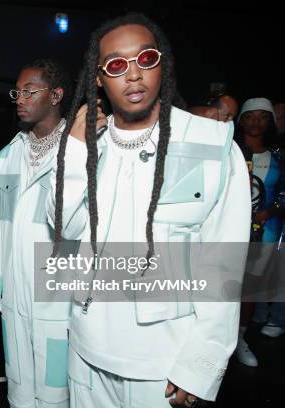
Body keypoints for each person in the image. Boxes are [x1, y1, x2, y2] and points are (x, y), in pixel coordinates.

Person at [48, 13, 250, 407]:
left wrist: (201, 362)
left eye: (146, 59)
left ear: (163, 65)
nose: (134, 75)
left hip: (164, 363)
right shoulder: (91, 147)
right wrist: (74, 147)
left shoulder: (209, 145)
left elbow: (224, 262)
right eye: (118, 65)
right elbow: (66, 228)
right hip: (87, 352)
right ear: (99, 78)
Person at [0, 59, 72, 408]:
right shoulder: (7, 156)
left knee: (55, 388)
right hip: (15, 291)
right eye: (18, 92)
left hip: (59, 294)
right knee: (18, 384)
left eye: (30, 91)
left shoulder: (77, 151)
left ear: (56, 95)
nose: (19, 98)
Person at [235, 98, 284, 356]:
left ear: (270, 122)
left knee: (250, 288)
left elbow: (283, 193)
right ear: (241, 119)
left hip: (263, 232)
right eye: (250, 116)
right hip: (229, 232)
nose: (256, 122)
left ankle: (240, 340)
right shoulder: (229, 150)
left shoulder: (278, 157)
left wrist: (269, 211)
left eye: (263, 116)